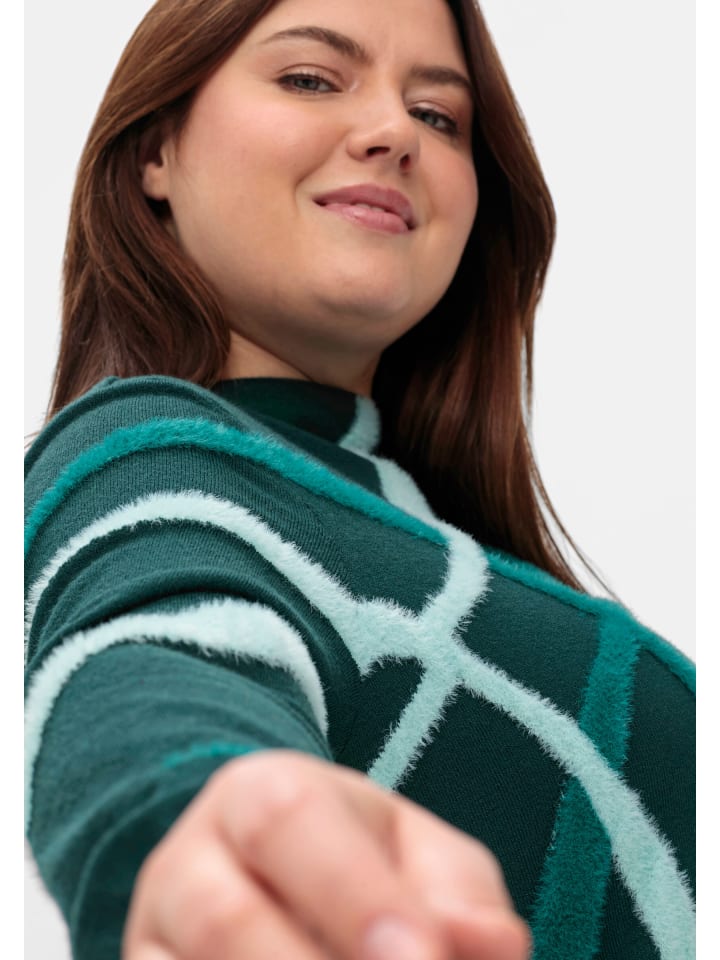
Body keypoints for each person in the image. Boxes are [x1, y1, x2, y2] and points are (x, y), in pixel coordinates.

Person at [23, 0, 695, 958]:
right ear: (155, 152)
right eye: (310, 79)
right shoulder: (146, 453)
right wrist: (201, 808)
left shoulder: (438, 541)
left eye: (439, 116)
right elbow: (154, 654)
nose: (393, 133)